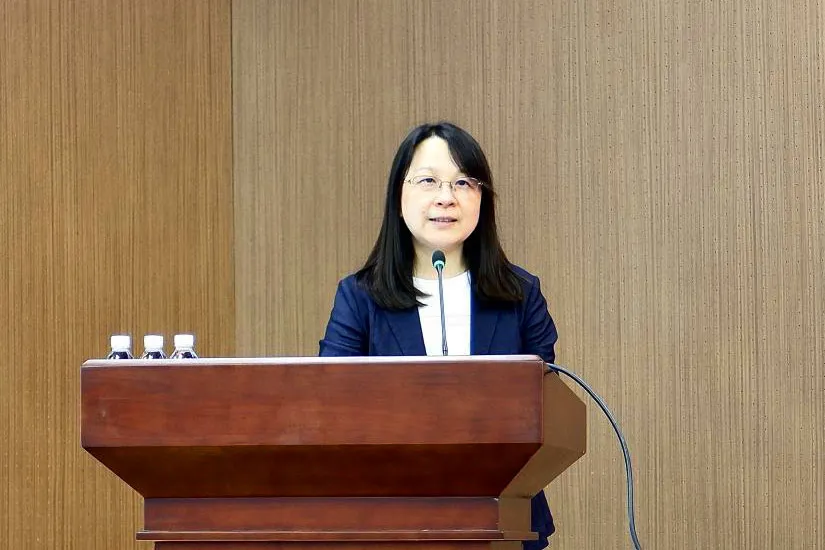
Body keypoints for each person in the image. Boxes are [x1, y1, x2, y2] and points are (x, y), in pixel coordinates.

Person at [319, 121, 559, 549]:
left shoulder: (520, 294)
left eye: (463, 182)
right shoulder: (359, 298)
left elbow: (548, 411)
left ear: (482, 199)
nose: (446, 197)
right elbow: (332, 411)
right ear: (399, 196)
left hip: (505, 523)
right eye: (428, 180)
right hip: (388, 524)